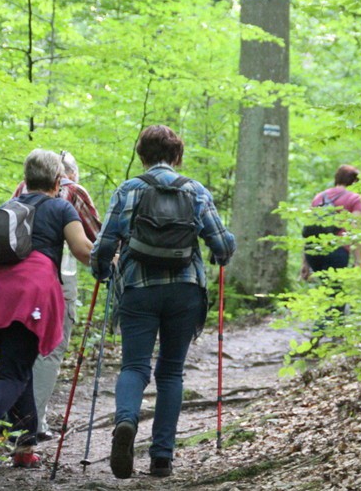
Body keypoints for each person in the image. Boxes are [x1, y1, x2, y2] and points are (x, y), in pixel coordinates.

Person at [90, 125, 236, 479]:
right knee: (171, 371)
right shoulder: (195, 190)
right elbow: (222, 245)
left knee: (134, 367)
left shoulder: (129, 190)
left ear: (142, 155)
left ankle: (125, 422)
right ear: (176, 155)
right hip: (185, 291)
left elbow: (105, 245)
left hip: (138, 289)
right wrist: (223, 246)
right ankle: (161, 458)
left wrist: (101, 271)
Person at [0, 150, 93, 468]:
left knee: (16, 369)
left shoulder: (7, 208)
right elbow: (82, 249)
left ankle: (24, 448)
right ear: (57, 180)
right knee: (15, 371)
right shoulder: (61, 207)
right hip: (28, 296)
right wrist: (112, 259)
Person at [13, 151, 101, 441]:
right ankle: (33, 424)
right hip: (57, 280)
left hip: (14, 280)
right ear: (66, 174)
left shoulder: (19, 190)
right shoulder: (73, 192)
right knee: (50, 348)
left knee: (21, 348)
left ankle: (15, 420)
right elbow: (95, 238)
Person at [300, 164, 361, 281]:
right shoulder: (354, 198)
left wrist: (305, 262)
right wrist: (358, 260)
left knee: (325, 288)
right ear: (354, 181)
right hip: (337, 250)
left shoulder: (319, 197)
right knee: (334, 290)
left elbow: (310, 228)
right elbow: (355, 229)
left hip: (313, 250)